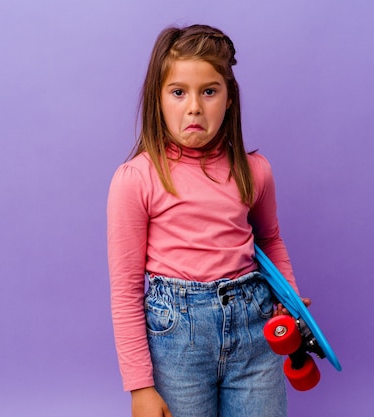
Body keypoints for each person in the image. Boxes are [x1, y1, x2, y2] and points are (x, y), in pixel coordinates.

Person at [107, 24, 310, 417]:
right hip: (178, 342)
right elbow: (126, 290)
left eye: (209, 91)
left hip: (255, 333)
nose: (194, 107)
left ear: (229, 99)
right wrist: (140, 387)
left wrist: (289, 302)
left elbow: (270, 241)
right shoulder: (136, 179)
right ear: (158, 99)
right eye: (179, 92)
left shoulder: (254, 172)